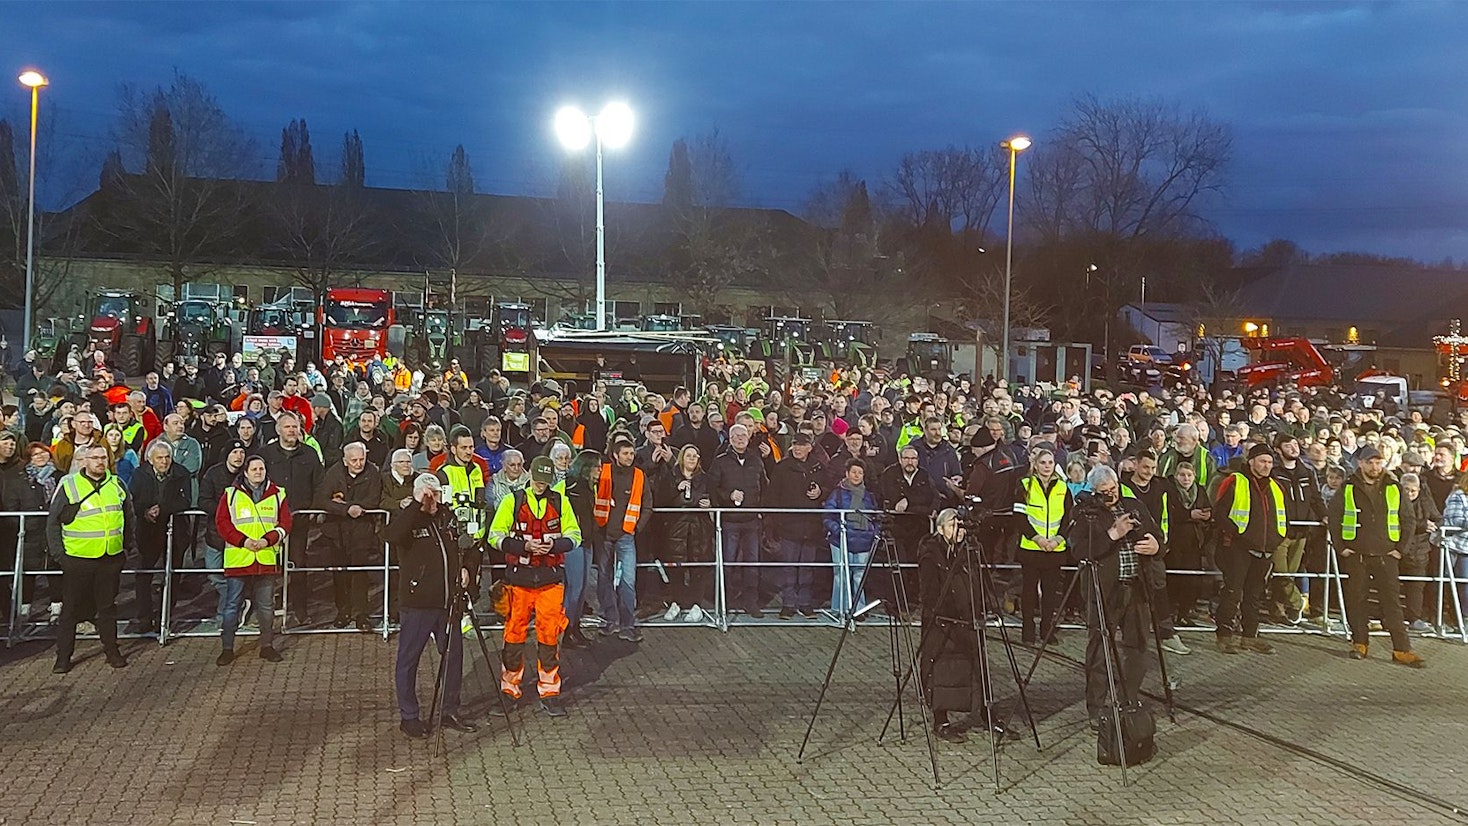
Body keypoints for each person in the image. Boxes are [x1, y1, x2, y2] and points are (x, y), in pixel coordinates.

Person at [383, 472, 480, 738]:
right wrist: (416, 505)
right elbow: (391, 536)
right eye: (427, 494)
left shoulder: (448, 517)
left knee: (454, 657)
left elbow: (470, 546)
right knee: (408, 659)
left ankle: (449, 709)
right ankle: (409, 716)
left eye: (435, 493)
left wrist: (468, 568)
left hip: (448, 603)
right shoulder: (407, 520)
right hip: (418, 604)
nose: (432, 499)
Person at [1068, 465, 1161, 731]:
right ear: (1094, 492)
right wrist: (1112, 534)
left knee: (1137, 647)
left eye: (1114, 490)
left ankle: (1128, 700)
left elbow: (1159, 536)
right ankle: (1096, 709)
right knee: (1099, 649)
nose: (1112, 496)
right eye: (1105, 493)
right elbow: (1078, 550)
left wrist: (1156, 545)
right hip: (1103, 589)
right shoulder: (1085, 513)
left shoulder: (1134, 505)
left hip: (1137, 587)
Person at [487, 455, 580, 717]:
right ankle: (509, 690)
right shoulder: (512, 500)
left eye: (545, 481)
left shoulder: (560, 502)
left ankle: (550, 692)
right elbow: (494, 536)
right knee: (513, 636)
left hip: (550, 580)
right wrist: (523, 546)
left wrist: (555, 545)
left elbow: (575, 535)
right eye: (538, 480)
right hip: (519, 581)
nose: (541, 484)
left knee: (549, 636)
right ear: (531, 476)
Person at [917, 508, 1017, 743]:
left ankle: (986, 713)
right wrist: (947, 611)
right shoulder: (931, 554)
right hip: (941, 620)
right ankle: (940, 720)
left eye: (959, 525)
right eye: (952, 526)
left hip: (968, 617)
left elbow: (978, 580)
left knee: (977, 666)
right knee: (941, 669)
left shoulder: (969, 550)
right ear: (941, 529)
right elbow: (930, 592)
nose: (958, 530)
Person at [1327, 445, 1425, 667]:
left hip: (1386, 554)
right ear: (1360, 463)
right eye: (1370, 462)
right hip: (1357, 554)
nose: (1374, 466)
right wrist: (1341, 547)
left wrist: (1400, 549)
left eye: (1378, 462)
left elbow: (1408, 520)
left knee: (1392, 603)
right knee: (1357, 601)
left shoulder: (1394, 487)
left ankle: (1402, 649)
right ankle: (1359, 643)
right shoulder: (1348, 487)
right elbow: (1334, 517)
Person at [48, 444, 137, 673]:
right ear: (83, 461)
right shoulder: (69, 485)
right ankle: (63, 657)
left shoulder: (117, 484)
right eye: (95, 457)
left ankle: (112, 651)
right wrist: (60, 555)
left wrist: (126, 547)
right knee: (70, 611)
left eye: (103, 457)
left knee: (107, 608)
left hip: (110, 557)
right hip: (78, 558)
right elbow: (53, 522)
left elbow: (129, 515)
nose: (100, 461)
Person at [214, 455, 290, 665]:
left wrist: (268, 540)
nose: (259, 472)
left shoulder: (278, 494)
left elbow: (285, 522)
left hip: (266, 558)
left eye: (262, 468)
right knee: (232, 605)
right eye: (254, 469)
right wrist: (243, 541)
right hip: (239, 558)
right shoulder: (230, 495)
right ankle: (227, 648)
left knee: (266, 606)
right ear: (245, 472)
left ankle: (267, 646)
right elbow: (222, 523)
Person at [259, 411, 324, 624]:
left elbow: (319, 484)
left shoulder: (309, 454)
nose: (292, 431)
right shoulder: (265, 455)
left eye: (295, 427)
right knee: (268, 565)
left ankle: (300, 610)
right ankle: (265, 608)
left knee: (298, 563)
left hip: (299, 520)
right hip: (270, 521)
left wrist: (315, 508)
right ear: (278, 430)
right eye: (287, 427)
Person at [126, 440, 194, 635]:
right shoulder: (139, 474)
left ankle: (165, 617)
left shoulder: (181, 473)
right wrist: (146, 511)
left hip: (176, 531)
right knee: (144, 574)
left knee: (172, 574)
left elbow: (186, 500)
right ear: (150, 459)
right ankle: (144, 617)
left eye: (167, 457)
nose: (164, 462)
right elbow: (132, 499)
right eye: (160, 458)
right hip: (148, 531)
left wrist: (162, 509)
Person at [320, 442, 384, 631]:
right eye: (354, 460)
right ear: (345, 460)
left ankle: (361, 614)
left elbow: (373, 499)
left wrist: (348, 505)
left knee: (360, 573)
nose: (358, 463)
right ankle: (343, 611)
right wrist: (347, 508)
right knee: (339, 573)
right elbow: (322, 499)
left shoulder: (373, 472)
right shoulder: (334, 473)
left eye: (361, 459)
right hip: (336, 531)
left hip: (361, 530)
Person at [593, 439, 652, 641]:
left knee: (628, 581)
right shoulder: (603, 472)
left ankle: (627, 625)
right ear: (615, 455)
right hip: (603, 534)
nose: (630, 456)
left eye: (631, 453)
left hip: (626, 534)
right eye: (625, 453)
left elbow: (647, 506)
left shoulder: (638, 475)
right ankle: (610, 621)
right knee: (603, 578)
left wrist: (636, 528)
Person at [708, 423, 768, 616]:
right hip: (730, 520)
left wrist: (762, 510)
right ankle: (724, 600)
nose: (740, 438)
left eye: (743, 435)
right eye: (736, 436)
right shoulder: (720, 461)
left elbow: (764, 485)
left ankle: (751, 601)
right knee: (728, 560)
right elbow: (712, 488)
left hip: (752, 520)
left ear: (749, 437)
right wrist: (728, 496)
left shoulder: (756, 460)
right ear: (730, 439)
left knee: (752, 562)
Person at [767, 433, 827, 619]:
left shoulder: (819, 467)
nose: (798, 449)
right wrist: (776, 522)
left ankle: (805, 603)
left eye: (802, 445)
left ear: (810, 447)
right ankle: (788, 604)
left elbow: (830, 490)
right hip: (788, 526)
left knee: (807, 567)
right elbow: (773, 496)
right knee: (789, 566)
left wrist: (821, 493)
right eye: (795, 445)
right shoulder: (782, 468)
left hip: (811, 526)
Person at [1016, 447, 1072, 644]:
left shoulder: (1063, 487)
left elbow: (1069, 518)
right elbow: (1020, 518)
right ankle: (1028, 630)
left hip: (1054, 549)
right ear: (1035, 465)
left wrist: (1058, 539)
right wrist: (1037, 539)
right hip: (1031, 548)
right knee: (1029, 592)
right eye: (1043, 462)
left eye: (1050, 462)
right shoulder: (1024, 485)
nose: (1047, 466)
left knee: (1050, 594)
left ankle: (1047, 630)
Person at [823, 458, 882, 615]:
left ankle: (859, 609)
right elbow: (828, 515)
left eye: (860, 473)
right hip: (841, 540)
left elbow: (875, 516)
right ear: (847, 474)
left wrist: (874, 532)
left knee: (859, 576)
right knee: (841, 575)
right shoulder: (837, 494)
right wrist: (838, 530)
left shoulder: (869, 496)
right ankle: (839, 609)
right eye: (854, 472)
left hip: (863, 540)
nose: (857, 475)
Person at [560, 450, 602, 647]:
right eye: (597, 467)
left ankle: (575, 626)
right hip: (573, 543)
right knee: (574, 588)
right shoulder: (569, 486)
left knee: (583, 587)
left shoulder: (588, 486)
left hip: (587, 541)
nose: (600, 471)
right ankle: (566, 630)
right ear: (587, 467)